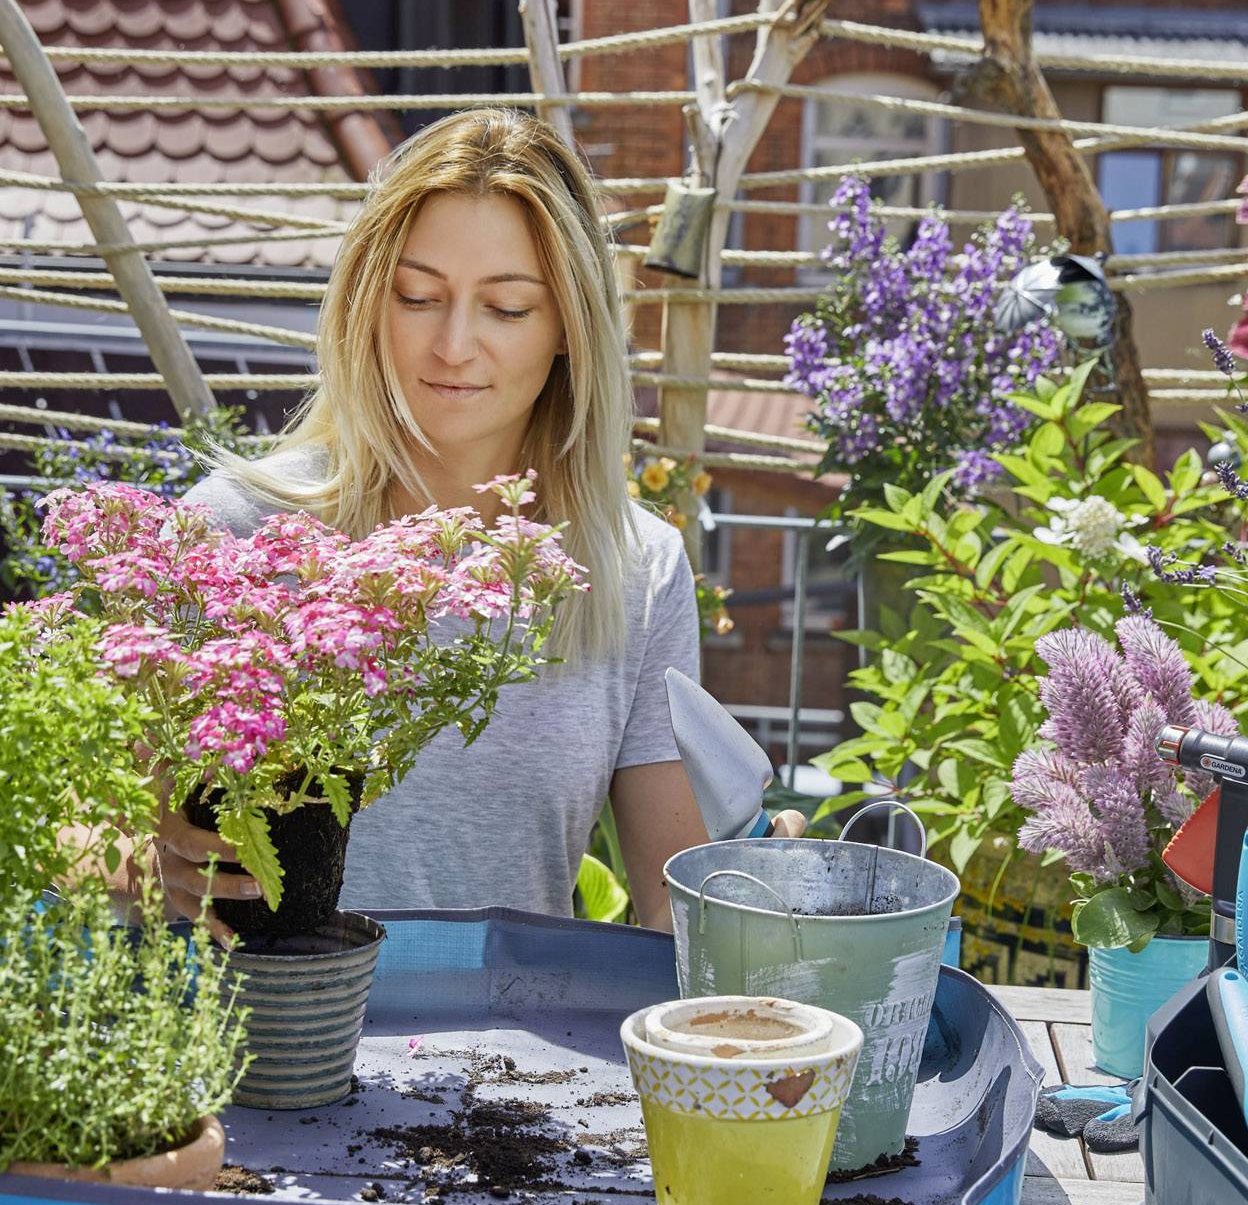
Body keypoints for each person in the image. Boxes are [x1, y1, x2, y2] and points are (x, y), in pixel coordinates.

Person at [152, 108, 798, 933]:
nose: (453, 346)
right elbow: (88, 826)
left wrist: (773, 894)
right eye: (418, 296)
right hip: (264, 1048)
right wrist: (146, 860)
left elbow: (678, 910)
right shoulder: (234, 529)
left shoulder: (635, 572)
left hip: (518, 1057)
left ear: (569, 327)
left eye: (507, 308)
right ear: (367, 302)